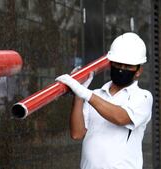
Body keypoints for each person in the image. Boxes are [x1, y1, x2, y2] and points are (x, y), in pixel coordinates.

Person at [56, 32, 153, 169]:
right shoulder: (96, 95)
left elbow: (120, 118)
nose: (121, 69)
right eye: (118, 64)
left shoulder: (143, 97)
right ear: (111, 64)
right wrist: (78, 96)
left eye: (128, 66)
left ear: (138, 71)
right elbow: (77, 134)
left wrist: (85, 93)